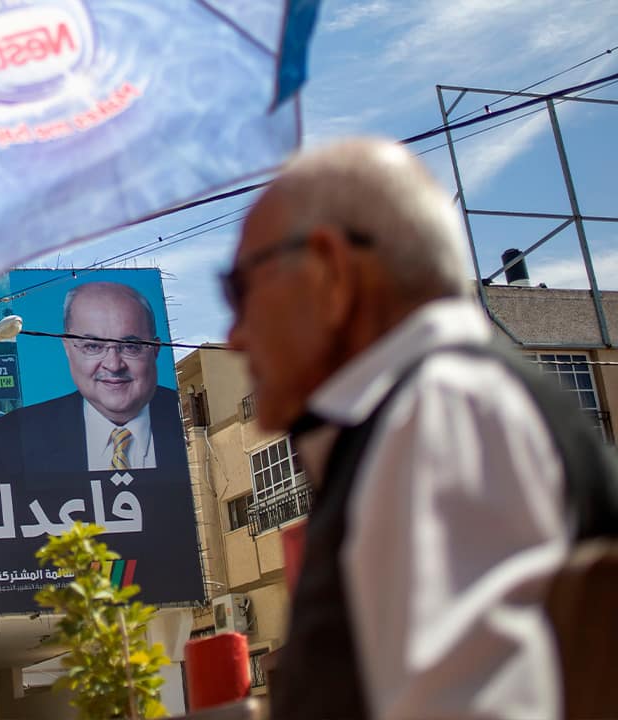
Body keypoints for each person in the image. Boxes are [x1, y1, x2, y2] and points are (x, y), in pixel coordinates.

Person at [225, 137, 604, 719]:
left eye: (241, 291)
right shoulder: (429, 413)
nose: (235, 336)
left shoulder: (443, 415)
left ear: (330, 271)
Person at [0, 281, 182, 487]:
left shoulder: (183, 419)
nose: (113, 365)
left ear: (155, 350)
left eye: (131, 346)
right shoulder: (9, 439)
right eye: (93, 346)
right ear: (68, 348)